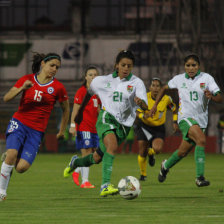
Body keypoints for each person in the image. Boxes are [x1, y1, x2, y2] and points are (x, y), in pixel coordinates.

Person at [63, 50, 148, 197]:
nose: (126, 68)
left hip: (124, 126)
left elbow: (145, 107)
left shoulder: (137, 83)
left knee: (95, 158)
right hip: (106, 118)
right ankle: (105, 185)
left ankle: (75, 163)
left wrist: (141, 103)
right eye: (123, 65)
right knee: (112, 145)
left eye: (129, 65)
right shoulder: (102, 81)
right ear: (116, 65)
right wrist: (79, 114)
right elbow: (89, 93)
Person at [0, 52, 70, 201]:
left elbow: (66, 109)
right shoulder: (27, 79)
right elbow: (6, 98)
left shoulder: (58, 87)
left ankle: (9, 159)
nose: (54, 69)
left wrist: (62, 130)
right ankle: (2, 191)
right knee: (12, 154)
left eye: (57, 67)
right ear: (43, 64)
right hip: (19, 122)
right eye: (52, 65)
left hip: (37, 131)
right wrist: (21, 89)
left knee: (21, 168)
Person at [149, 53, 223, 187]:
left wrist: (211, 96)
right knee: (201, 140)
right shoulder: (179, 79)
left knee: (183, 152)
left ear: (198, 66)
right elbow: (165, 88)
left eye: (193, 65)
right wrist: (155, 105)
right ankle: (199, 177)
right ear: (184, 67)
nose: (190, 68)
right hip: (185, 118)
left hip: (201, 122)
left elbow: (220, 98)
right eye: (188, 65)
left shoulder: (207, 79)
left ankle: (165, 166)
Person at [135, 77, 178, 181]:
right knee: (142, 151)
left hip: (158, 128)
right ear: (149, 87)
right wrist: (143, 116)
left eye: (157, 86)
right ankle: (143, 175)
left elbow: (174, 108)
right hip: (144, 126)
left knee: (157, 149)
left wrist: (175, 121)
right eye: (153, 85)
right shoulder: (144, 97)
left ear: (161, 88)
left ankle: (151, 153)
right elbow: (136, 111)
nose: (155, 88)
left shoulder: (166, 99)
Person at [69, 66, 101, 188]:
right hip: (84, 127)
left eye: (95, 75)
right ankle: (85, 182)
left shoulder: (98, 93)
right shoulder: (82, 91)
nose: (93, 77)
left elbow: (98, 110)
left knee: (95, 155)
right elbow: (75, 110)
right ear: (85, 77)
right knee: (87, 153)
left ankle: (76, 167)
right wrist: (72, 125)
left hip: (95, 128)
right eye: (90, 75)